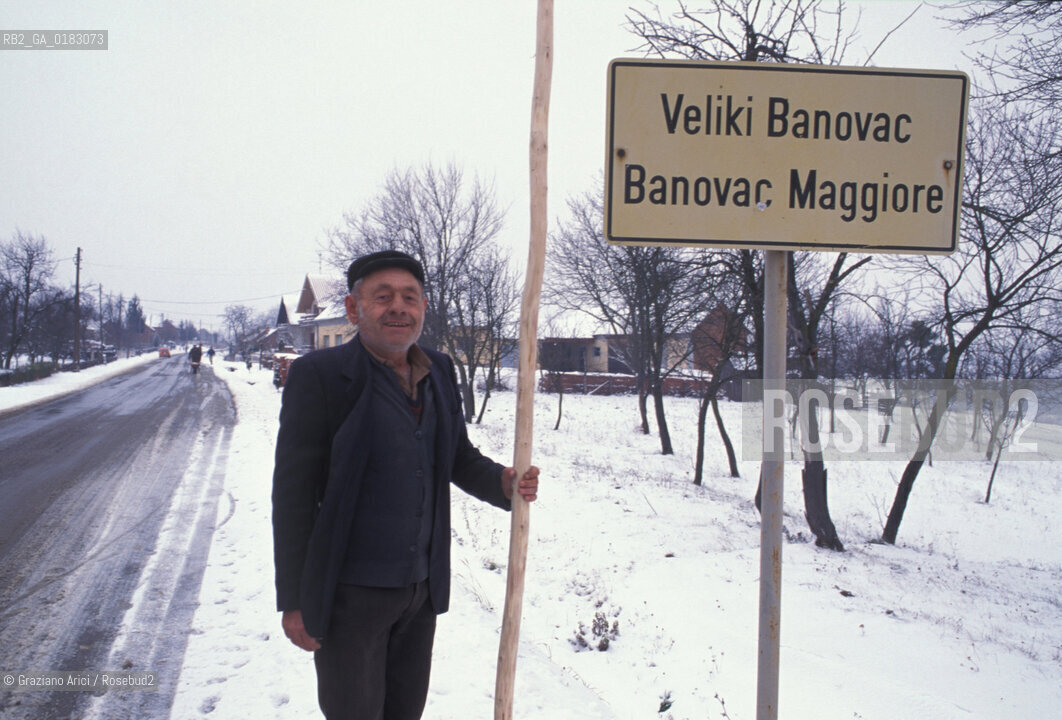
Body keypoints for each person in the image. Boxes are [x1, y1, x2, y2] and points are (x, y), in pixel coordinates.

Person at [272, 250, 539, 720]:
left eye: (409, 297)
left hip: (420, 593)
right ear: (355, 310)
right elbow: (292, 495)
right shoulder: (321, 376)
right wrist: (294, 601)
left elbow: (455, 454)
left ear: (423, 306)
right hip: (348, 597)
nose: (398, 307)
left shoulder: (438, 369)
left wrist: (502, 483)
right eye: (383, 297)